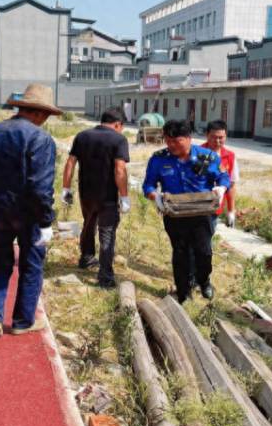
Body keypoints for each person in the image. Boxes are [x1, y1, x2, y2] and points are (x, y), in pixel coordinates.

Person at [0, 83, 59, 340]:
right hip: (28, 213)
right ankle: (22, 321)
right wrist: (46, 221)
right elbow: (40, 185)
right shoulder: (40, 139)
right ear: (40, 113)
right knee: (31, 266)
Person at [142, 119, 230, 302]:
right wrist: (155, 197)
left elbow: (223, 176)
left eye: (177, 141)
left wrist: (221, 188)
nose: (172, 145)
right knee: (180, 253)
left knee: (203, 252)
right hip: (175, 214)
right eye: (168, 141)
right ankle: (184, 292)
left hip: (201, 214)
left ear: (189, 138)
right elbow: (148, 185)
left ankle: (204, 281)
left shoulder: (208, 157)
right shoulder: (159, 159)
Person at [62, 107, 131, 288]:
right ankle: (105, 277)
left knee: (89, 223)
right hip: (107, 195)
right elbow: (120, 169)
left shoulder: (82, 136)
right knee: (107, 232)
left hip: (86, 192)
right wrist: (124, 197)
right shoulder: (119, 139)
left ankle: (86, 257)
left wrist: (66, 188)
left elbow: (70, 163)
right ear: (118, 124)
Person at [201, 120, 239, 231]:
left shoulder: (230, 156)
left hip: (215, 208)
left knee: (207, 240)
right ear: (207, 135)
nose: (217, 141)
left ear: (226, 136)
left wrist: (231, 211)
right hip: (197, 205)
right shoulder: (197, 153)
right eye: (213, 137)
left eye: (221, 137)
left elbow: (231, 185)